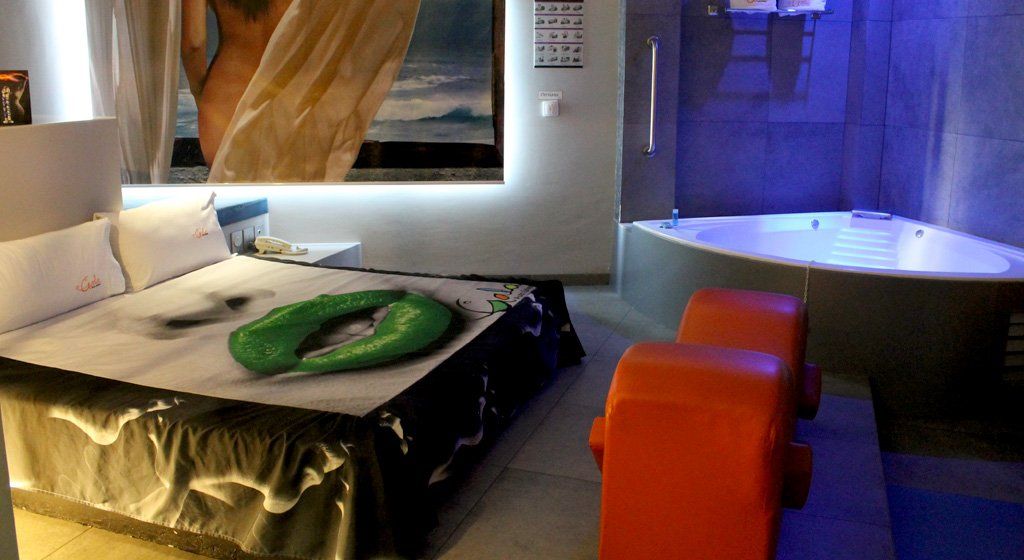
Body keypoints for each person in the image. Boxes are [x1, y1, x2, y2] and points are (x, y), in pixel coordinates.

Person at [181, 0, 293, 166]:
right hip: (288, 96)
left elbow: (194, 44)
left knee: (228, 180)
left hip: (225, 99)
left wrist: (200, 93)